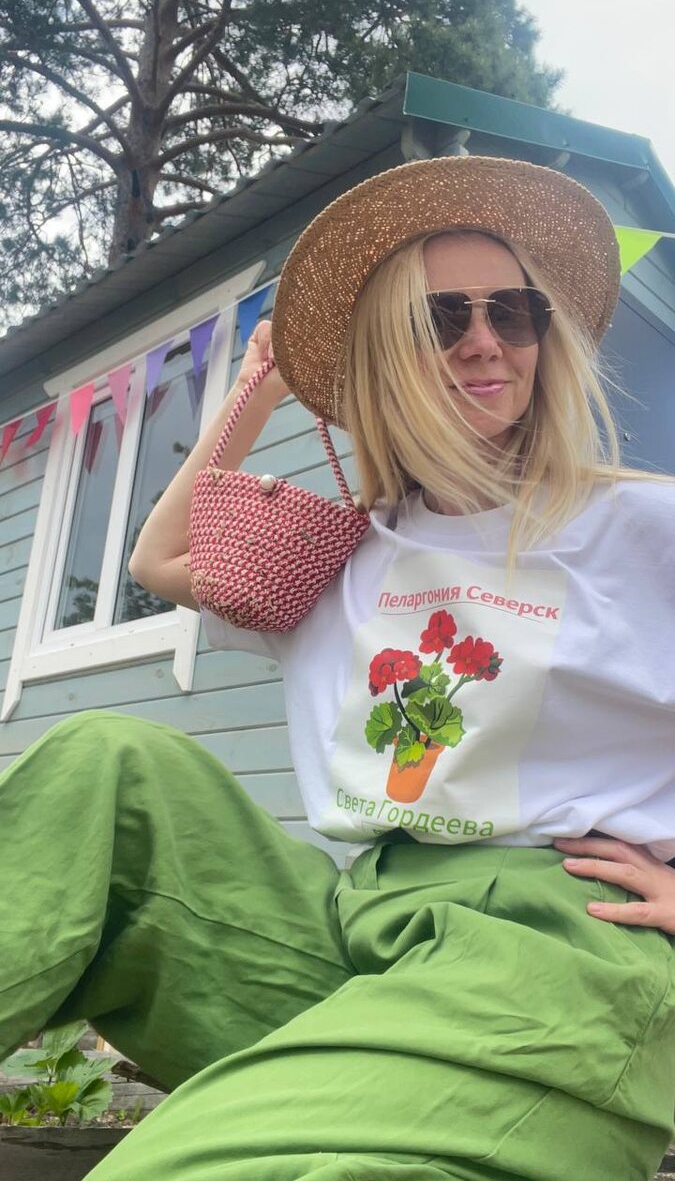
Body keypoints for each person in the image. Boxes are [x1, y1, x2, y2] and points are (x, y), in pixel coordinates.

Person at [1, 155, 674, 1181]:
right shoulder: (342, 554)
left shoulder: (641, 525)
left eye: (514, 311)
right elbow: (156, 563)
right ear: (382, 354)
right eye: (441, 318)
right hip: (357, 927)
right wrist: (257, 388)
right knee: (109, 767)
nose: (485, 340)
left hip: (552, 949)